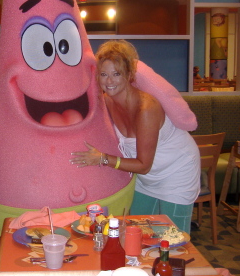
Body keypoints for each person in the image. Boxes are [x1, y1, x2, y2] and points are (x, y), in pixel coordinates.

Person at [71, 40, 200, 233]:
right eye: (104, 74)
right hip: (146, 178)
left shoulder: (146, 108)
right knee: (135, 232)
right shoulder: (107, 102)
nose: (109, 81)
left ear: (129, 75)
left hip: (176, 172)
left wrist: (102, 159)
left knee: (172, 240)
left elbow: (144, 165)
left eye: (117, 74)